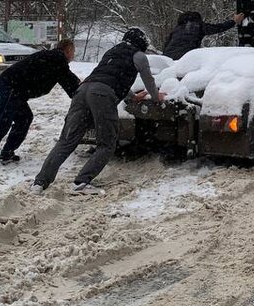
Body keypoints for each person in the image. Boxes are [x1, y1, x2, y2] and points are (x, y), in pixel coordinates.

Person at [31, 27, 164, 195]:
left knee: (66, 141)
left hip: (82, 91)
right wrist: (156, 96)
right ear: (141, 43)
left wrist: (131, 97)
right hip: (102, 95)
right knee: (107, 143)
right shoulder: (139, 56)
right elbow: (148, 79)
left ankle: (40, 183)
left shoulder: (111, 52)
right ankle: (82, 182)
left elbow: (108, 75)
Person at [0, 39, 80, 174]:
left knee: (24, 118)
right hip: (11, 86)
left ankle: (7, 152)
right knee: (1, 122)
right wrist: (80, 91)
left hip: (17, 88)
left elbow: (67, 78)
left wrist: (79, 88)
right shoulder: (57, 58)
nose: (73, 56)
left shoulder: (54, 60)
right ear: (68, 50)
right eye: (73, 52)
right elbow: (68, 81)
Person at [162, 10, 245, 61]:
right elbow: (217, 28)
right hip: (184, 57)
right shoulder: (198, 25)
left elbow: (166, 44)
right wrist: (234, 21)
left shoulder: (176, 29)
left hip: (167, 58)